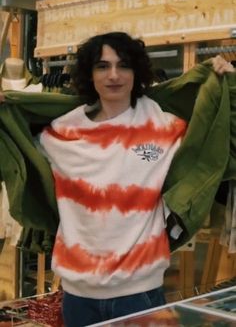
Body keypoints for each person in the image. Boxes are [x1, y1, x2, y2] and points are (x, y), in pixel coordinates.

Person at [0, 32, 235, 327]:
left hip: (140, 296)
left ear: (136, 72)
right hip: (77, 298)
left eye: (123, 65)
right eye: (102, 66)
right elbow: (11, 151)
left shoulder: (163, 126)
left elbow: (222, 145)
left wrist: (230, 86)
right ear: (89, 74)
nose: (114, 75)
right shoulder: (58, 134)